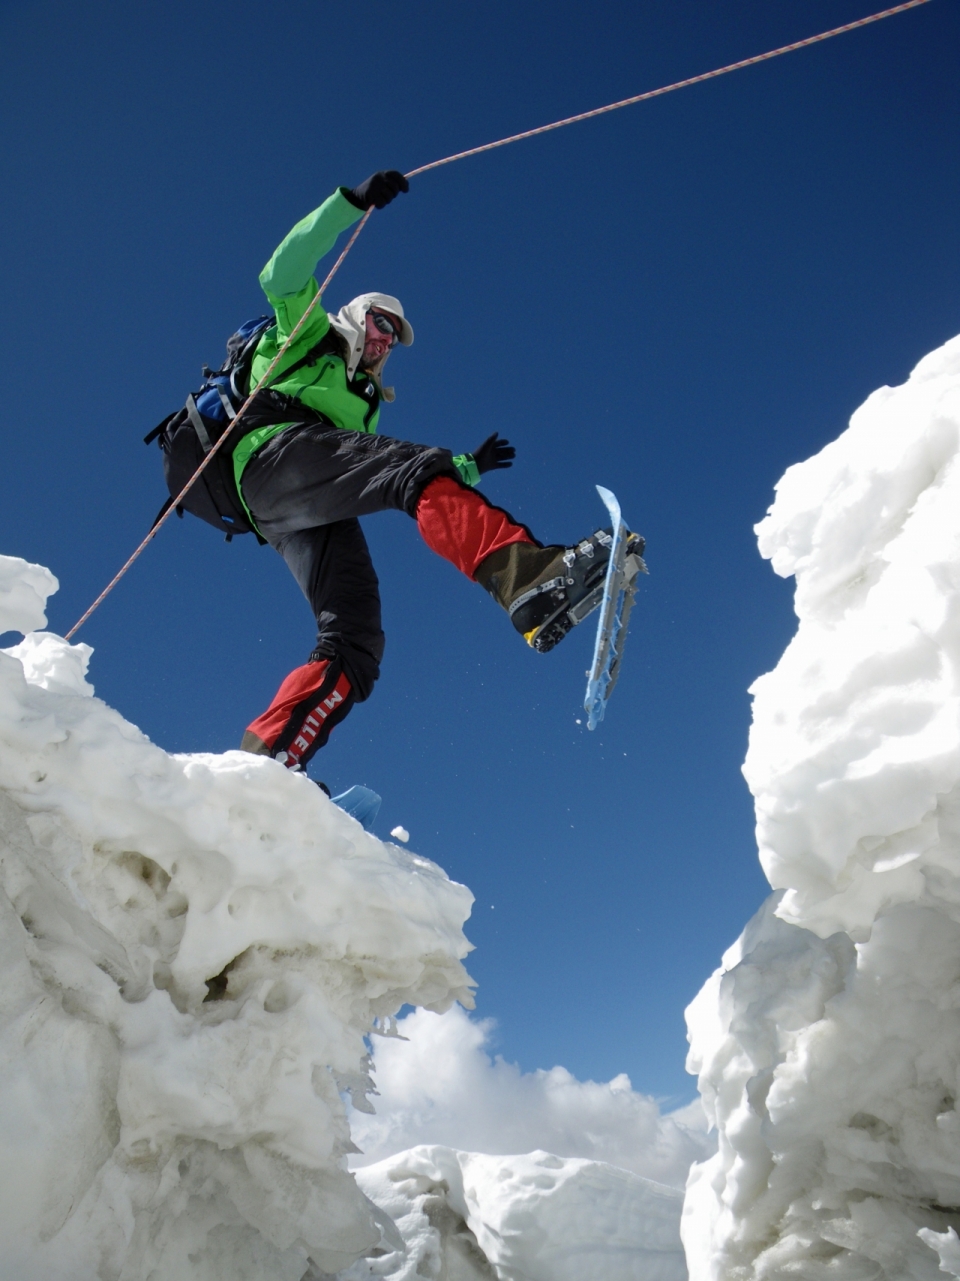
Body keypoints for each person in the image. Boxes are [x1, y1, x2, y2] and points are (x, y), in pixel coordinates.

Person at [231, 170, 642, 772]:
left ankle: (268, 759)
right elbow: (282, 270)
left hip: (297, 506)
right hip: (271, 453)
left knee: (356, 638)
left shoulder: (363, 404)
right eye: (380, 323)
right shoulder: (309, 332)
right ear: (355, 317)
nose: (386, 340)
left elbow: (377, 470)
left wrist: (469, 466)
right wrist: (349, 205)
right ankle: (529, 581)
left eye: (394, 336)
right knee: (407, 468)